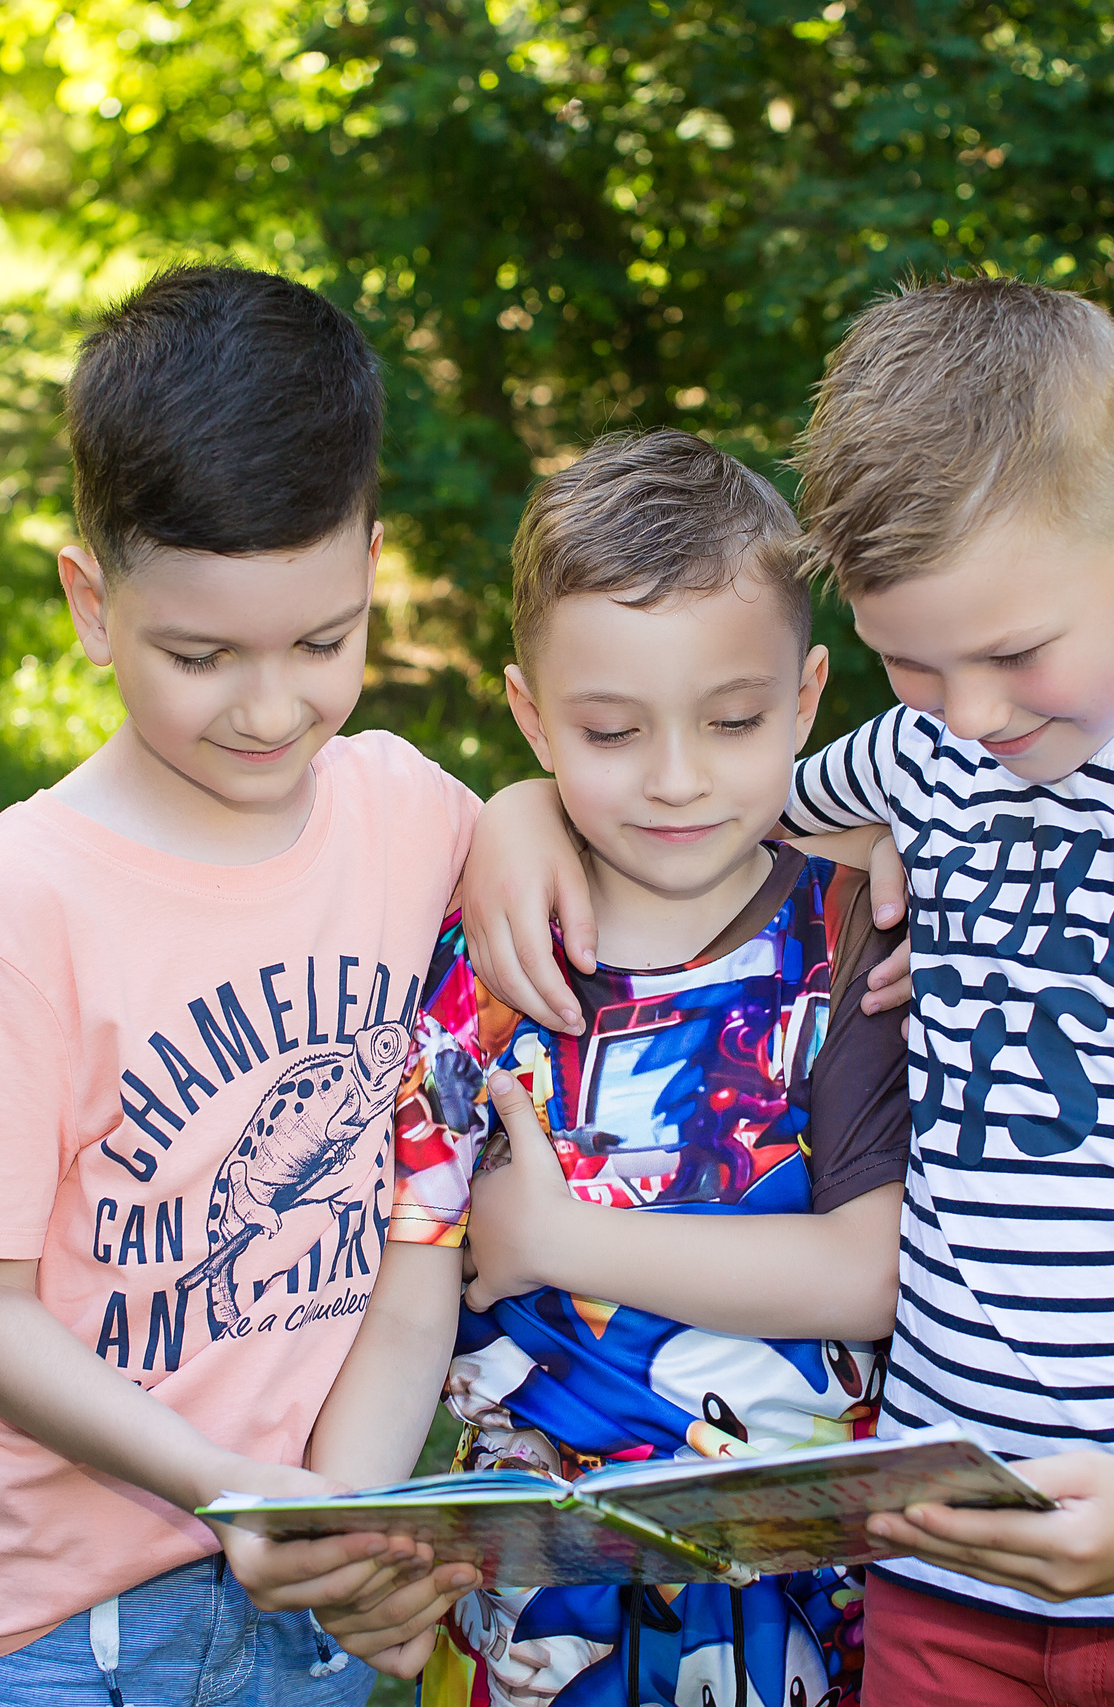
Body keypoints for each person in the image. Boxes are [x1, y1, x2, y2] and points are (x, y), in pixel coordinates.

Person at [457, 278, 1114, 1707]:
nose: (973, 713)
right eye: (909, 664)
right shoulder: (933, 755)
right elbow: (703, 813)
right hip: (943, 1569)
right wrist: (518, 812)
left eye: (1015, 653)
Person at [0, 265, 482, 1707]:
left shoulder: (413, 815)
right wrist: (224, 1484)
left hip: (310, 1586)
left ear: (372, 570)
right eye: (201, 654)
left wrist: (329, 1520)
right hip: (55, 1623)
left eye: (325, 642)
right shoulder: (30, 894)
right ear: (93, 605)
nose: (272, 706)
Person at [384, 429, 911, 1707]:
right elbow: (407, 1289)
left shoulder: (853, 941)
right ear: (529, 714)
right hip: (527, 1619)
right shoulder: (480, 954)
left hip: (797, 1610)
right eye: (611, 732)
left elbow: (870, 1273)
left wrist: (559, 1241)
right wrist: (353, 1528)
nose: (677, 780)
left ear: (803, 698)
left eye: (732, 722)